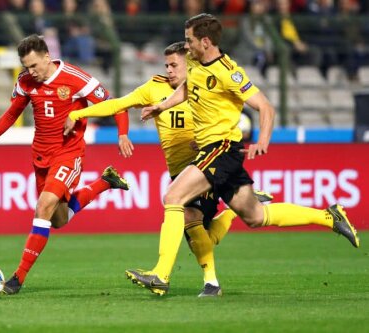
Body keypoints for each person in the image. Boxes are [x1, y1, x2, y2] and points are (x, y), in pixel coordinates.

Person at [129, 13, 359, 296]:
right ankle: (329, 217)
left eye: (189, 40)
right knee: (256, 216)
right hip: (217, 153)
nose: (185, 46)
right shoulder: (194, 62)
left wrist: (263, 139)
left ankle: (160, 274)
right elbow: (189, 88)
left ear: (205, 41)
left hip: (222, 149)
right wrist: (162, 106)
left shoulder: (229, 72)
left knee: (173, 197)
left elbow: (265, 107)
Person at [64, 41, 273, 297]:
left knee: (191, 219)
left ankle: (194, 280)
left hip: (205, 164)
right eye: (167, 65)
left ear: (190, 63)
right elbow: (119, 103)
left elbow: (229, 111)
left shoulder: (204, 84)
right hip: (181, 170)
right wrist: (79, 114)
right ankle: (229, 219)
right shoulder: (153, 88)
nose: (169, 70)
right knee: (204, 232)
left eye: (175, 65)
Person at [0, 34, 134, 295]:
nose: (30, 72)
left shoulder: (76, 78)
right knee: (58, 220)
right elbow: (12, 113)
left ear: (47, 57)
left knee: (43, 206)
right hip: (41, 157)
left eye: (34, 65)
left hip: (69, 153)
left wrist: (122, 133)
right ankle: (105, 182)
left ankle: (17, 278)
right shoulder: (25, 82)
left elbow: (115, 105)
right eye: (26, 67)